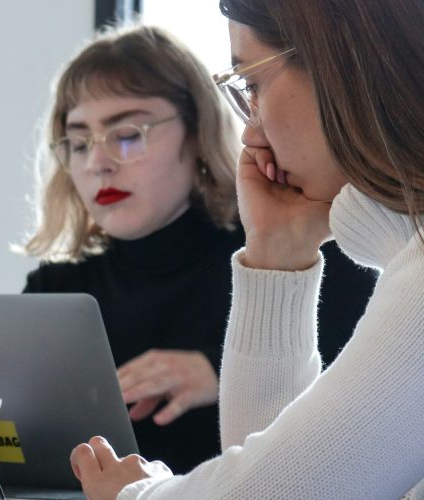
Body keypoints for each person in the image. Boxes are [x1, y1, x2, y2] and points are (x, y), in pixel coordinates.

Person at [69, 0, 424, 499]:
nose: (250, 134)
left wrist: (135, 495)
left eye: (251, 84)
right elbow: (281, 469)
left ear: (341, 67)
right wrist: (276, 253)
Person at [21, 25, 376, 474]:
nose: (98, 162)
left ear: (197, 134)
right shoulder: (54, 290)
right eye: (79, 142)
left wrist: (219, 373)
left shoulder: (302, 252)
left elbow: (360, 430)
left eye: (127, 133)